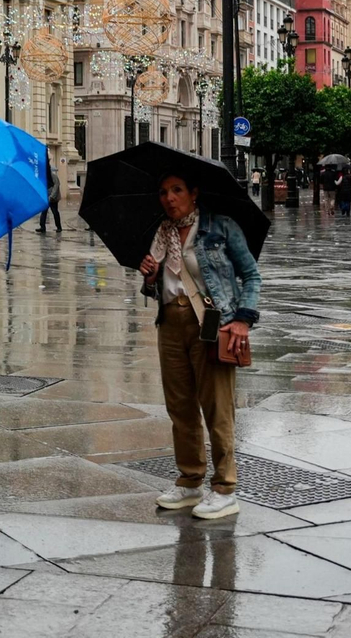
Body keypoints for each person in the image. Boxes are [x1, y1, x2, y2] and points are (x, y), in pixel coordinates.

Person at [136, 173, 261, 520]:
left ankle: (224, 487)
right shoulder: (160, 234)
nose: (168, 198)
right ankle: (190, 480)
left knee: (217, 407)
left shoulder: (219, 227)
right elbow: (159, 288)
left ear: (194, 192)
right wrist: (149, 277)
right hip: (171, 324)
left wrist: (243, 320)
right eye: (162, 192)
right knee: (180, 407)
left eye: (177, 190)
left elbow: (251, 275)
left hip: (211, 323)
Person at [36, 164, 62, 234]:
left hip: (53, 199)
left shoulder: (53, 176)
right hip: (46, 197)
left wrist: (51, 196)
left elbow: (56, 187)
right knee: (43, 212)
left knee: (55, 212)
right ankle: (42, 227)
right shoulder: (43, 177)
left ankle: (59, 227)